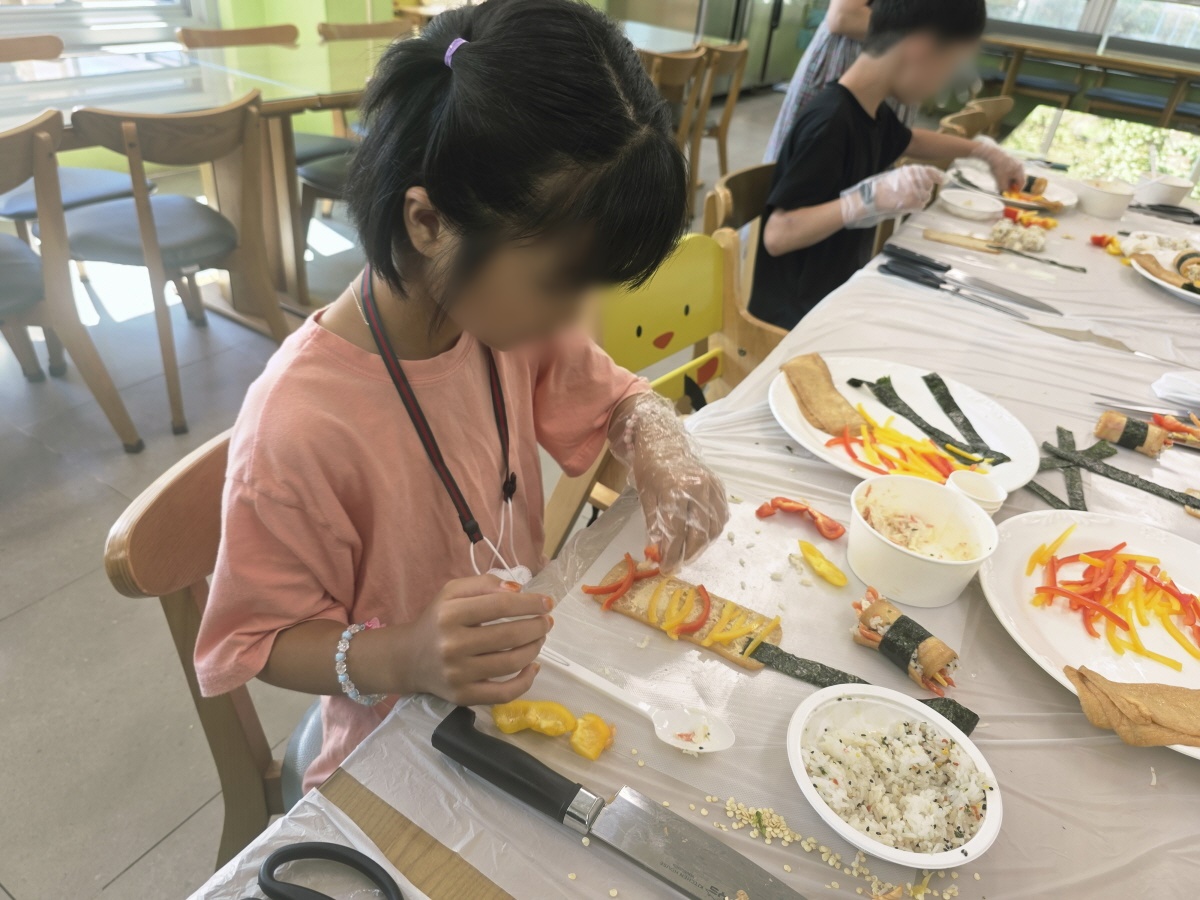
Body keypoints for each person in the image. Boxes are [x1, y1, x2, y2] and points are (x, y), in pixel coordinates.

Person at [192, 0, 729, 791]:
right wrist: (403, 654)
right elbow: (255, 643)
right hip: (393, 746)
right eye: (561, 282)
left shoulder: (504, 320)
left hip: (519, 685)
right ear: (428, 222)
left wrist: (658, 440)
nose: (577, 315)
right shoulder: (298, 428)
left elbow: (617, 398)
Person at [750, 0, 1021, 330]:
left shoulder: (870, 112)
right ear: (921, 49)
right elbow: (778, 235)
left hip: (834, 297)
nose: (942, 86)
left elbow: (912, 140)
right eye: (949, 66)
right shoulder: (831, 121)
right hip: (794, 322)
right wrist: (865, 200)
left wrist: (985, 152)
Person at [764, 0, 914, 163]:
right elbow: (844, 17)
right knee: (818, 157)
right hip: (849, 62)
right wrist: (923, 34)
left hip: (886, 67)